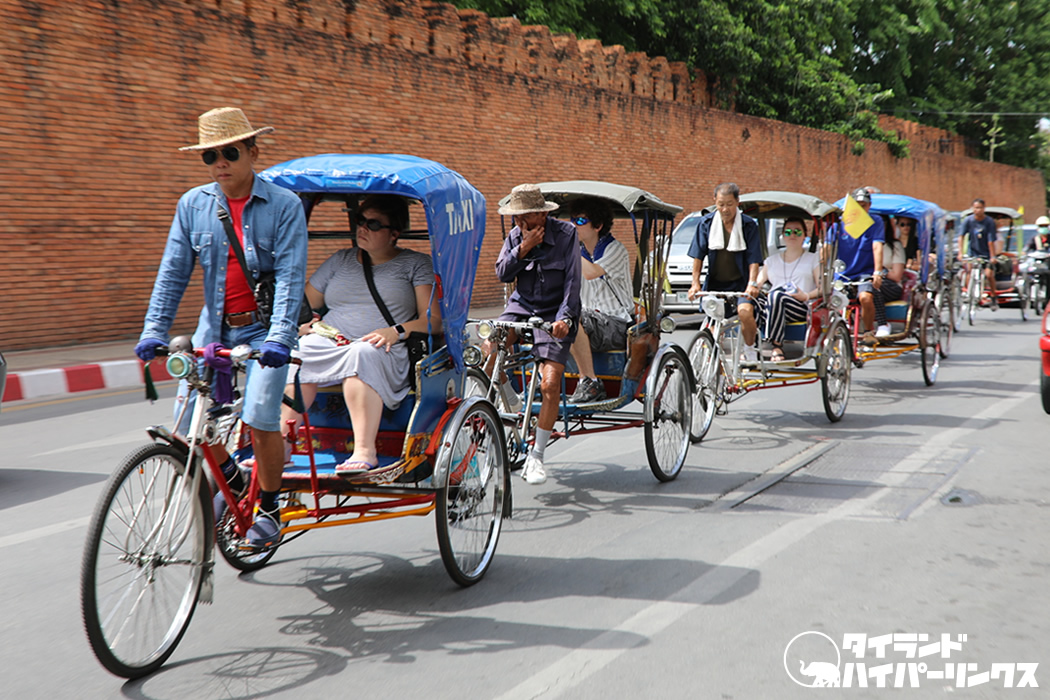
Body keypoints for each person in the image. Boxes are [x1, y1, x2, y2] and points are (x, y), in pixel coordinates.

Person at [135, 107, 308, 548]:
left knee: (261, 412)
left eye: (229, 152)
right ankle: (231, 477)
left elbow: (290, 276)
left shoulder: (284, 206)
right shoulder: (193, 205)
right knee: (186, 424)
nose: (220, 164)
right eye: (209, 157)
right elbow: (173, 272)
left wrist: (279, 337)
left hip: (263, 332)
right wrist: (154, 329)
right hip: (212, 331)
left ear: (253, 151)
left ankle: (269, 508)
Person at [280, 195, 440, 476]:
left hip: (383, 347)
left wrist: (396, 331)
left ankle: (365, 451)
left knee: (361, 352)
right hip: (334, 340)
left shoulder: (415, 263)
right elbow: (304, 303)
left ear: (394, 234)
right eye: (360, 221)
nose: (362, 229)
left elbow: (434, 321)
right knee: (299, 351)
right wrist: (301, 325)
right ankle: (282, 441)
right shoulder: (340, 259)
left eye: (373, 224)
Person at [492, 184, 581, 485]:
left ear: (541, 215)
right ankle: (514, 405)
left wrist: (565, 319)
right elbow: (503, 272)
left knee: (551, 383)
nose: (519, 224)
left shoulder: (567, 235)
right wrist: (524, 247)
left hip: (556, 312)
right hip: (522, 305)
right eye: (516, 219)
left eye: (525, 219)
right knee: (490, 350)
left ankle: (537, 456)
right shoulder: (516, 236)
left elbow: (572, 283)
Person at [686, 182, 764, 361]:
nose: (725, 209)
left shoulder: (747, 225)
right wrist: (695, 283)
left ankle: (750, 348)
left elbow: (754, 258)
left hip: (741, 282)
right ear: (715, 201)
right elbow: (698, 256)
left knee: (745, 312)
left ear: (738, 202)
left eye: (729, 204)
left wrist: (752, 283)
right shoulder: (706, 223)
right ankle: (713, 360)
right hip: (715, 283)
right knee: (713, 320)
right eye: (721, 204)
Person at [566, 198, 633, 403]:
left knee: (573, 317)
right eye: (571, 220)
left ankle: (590, 382)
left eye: (580, 221)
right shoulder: (580, 251)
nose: (573, 225)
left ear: (598, 225)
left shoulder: (615, 249)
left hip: (616, 323)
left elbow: (591, 272)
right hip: (591, 322)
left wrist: (568, 248)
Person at [754, 218, 821, 361]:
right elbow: (757, 284)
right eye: (788, 232)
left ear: (804, 235)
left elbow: (822, 289)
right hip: (773, 306)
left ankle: (776, 345)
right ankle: (750, 344)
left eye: (797, 232)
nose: (792, 236)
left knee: (776, 295)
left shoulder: (813, 258)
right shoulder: (771, 261)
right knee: (754, 300)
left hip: (800, 306)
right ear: (782, 235)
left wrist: (806, 296)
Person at [833, 187, 886, 344]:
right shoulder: (838, 223)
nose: (860, 208)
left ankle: (868, 331)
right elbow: (827, 248)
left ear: (869, 206)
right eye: (857, 204)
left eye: (864, 205)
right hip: (841, 273)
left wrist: (877, 272)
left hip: (864, 272)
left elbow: (877, 247)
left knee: (865, 298)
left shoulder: (875, 222)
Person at [876, 216, 921, 332]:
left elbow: (896, 276)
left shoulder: (895, 245)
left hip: (890, 285)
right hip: (867, 280)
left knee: (874, 286)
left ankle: (882, 324)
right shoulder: (863, 244)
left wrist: (880, 270)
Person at [958, 198, 1001, 309]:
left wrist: (992, 256)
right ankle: (968, 292)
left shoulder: (989, 222)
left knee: (989, 275)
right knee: (969, 271)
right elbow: (961, 236)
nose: (978, 210)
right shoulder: (968, 221)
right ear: (972, 208)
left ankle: (993, 296)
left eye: (980, 208)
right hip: (973, 252)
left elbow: (991, 240)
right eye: (976, 208)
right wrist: (960, 253)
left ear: (984, 208)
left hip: (987, 253)